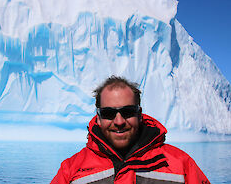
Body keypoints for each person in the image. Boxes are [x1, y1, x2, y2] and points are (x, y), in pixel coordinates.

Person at [51, 76, 210, 184]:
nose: (119, 121)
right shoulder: (71, 170)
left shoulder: (181, 164)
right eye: (108, 113)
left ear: (139, 114)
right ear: (98, 118)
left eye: (127, 112)